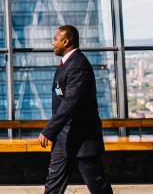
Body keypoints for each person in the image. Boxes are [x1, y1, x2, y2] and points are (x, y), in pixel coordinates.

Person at [38, 25, 113, 194]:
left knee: (98, 186)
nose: (52, 43)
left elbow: (70, 103)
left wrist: (49, 130)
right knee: (52, 187)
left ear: (66, 41)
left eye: (55, 39)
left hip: (82, 140)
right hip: (63, 140)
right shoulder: (66, 65)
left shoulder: (78, 65)